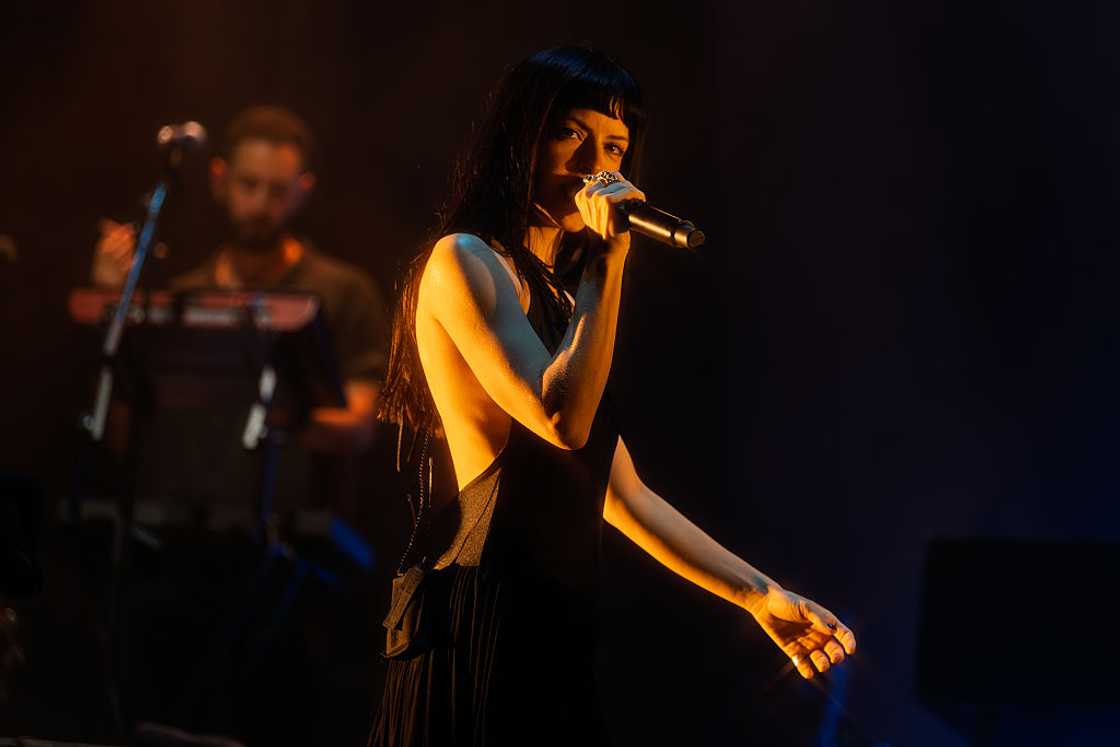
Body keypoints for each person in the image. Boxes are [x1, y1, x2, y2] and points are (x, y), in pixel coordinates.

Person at [371, 47, 856, 746]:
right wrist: (607, 262)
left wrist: (756, 594)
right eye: (573, 135)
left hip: (550, 616)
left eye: (616, 147)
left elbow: (620, 491)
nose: (596, 166)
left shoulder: (567, 298)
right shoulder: (464, 259)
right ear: (522, 135)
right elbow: (559, 420)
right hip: (477, 612)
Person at [92, 105, 388, 456]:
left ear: (302, 191)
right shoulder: (184, 296)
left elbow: (361, 426)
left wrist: (257, 419)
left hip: (296, 501)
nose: (261, 204)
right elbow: (122, 436)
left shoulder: (346, 292)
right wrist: (113, 302)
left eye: (277, 191)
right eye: (249, 184)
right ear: (220, 179)